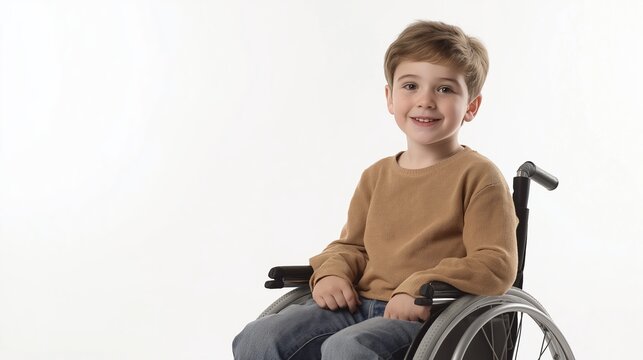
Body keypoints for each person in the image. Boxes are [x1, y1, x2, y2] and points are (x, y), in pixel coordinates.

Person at [233, 20, 518, 360]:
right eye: (410, 86)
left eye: (444, 89)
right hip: (360, 305)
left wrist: (418, 287)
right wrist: (332, 272)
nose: (425, 101)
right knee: (259, 337)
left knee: (348, 348)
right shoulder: (376, 176)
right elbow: (352, 246)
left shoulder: (479, 176)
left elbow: (495, 262)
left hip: (432, 316)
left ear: (471, 106)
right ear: (390, 97)